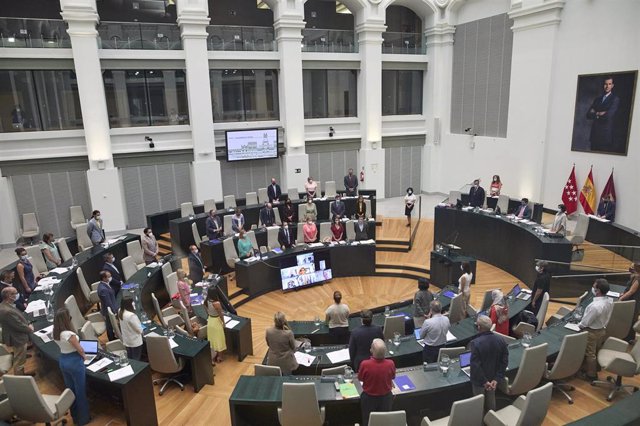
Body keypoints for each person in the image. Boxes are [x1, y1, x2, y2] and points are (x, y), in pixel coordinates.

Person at [52, 308, 90, 425]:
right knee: (80, 391)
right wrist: (85, 356)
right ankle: (83, 419)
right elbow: (80, 349)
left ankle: (75, 416)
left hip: (63, 360)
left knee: (71, 390)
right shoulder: (69, 334)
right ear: (66, 319)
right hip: (74, 362)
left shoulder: (56, 332)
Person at [469, 315, 509, 413]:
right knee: (491, 399)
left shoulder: (475, 343)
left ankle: (480, 420)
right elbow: (504, 361)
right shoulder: (501, 340)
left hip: (480, 381)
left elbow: (475, 366)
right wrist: (496, 378)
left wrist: (484, 381)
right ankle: (492, 418)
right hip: (493, 377)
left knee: (479, 402)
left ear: (479, 327)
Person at [579, 279, 613, 380]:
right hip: (602, 330)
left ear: (598, 290)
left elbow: (586, 322)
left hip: (592, 332)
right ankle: (596, 368)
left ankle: (591, 375)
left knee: (590, 354)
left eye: (594, 287)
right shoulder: (609, 301)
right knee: (597, 350)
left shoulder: (595, 306)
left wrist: (579, 326)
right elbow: (608, 316)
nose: (592, 289)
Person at [358, 339, 396, 426]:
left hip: (368, 398)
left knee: (368, 420)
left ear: (371, 350)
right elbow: (393, 377)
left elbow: (360, 378)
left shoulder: (364, 364)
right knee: (384, 420)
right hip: (386, 398)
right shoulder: (391, 363)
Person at [0, 287, 34, 376]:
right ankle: (20, 377)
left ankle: (21, 372)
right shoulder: (7, 311)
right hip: (17, 338)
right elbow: (18, 325)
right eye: (15, 293)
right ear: (9, 296)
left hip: (16, 335)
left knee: (20, 355)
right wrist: (29, 328)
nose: (17, 295)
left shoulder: (6, 305)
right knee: (19, 360)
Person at [586, 76, 619, 151]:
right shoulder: (597, 99)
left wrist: (595, 113)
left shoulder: (615, 99)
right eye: (605, 84)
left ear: (612, 85)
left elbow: (608, 116)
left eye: (609, 84)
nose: (607, 86)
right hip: (594, 136)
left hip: (605, 137)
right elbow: (588, 115)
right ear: (603, 85)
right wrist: (599, 113)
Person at [619, 262, 640, 342]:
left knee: (631, 319)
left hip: (633, 302)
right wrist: (623, 293)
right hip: (632, 300)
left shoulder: (638, 278)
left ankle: (629, 338)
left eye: (632, 267)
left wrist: (621, 299)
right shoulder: (636, 276)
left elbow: (631, 291)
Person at [205, 286, 227, 363]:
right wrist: (224, 322)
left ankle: (213, 356)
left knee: (212, 340)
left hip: (210, 320)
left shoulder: (207, 300)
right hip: (216, 322)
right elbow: (220, 314)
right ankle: (220, 357)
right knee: (219, 340)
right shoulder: (216, 303)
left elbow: (206, 309)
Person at [97, 270, 117, 340]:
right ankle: (111, 339)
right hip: (108, 311)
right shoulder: (103, 289)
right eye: (108, 277)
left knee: (110, 326)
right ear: (104, 278)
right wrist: (114, 312)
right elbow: (108, 303)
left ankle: (112, 337)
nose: (110, 278)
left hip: (110, 308)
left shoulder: (104, 284)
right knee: (109, 326)